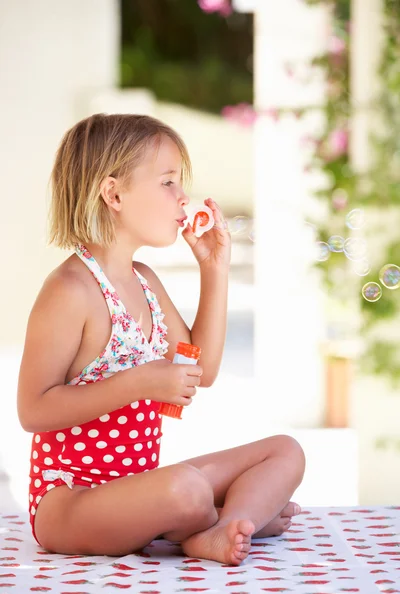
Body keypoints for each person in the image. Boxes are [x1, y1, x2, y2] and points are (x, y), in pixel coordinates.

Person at [17, 114, 306, 566]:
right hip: (70, 501)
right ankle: (217, 519)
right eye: (168, 182)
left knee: (286, 452)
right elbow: (32, 410)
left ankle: (229, 526)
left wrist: (214, 268)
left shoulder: (144, 280)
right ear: (113, 194)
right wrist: (140, 383)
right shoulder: (70, 290)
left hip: (143, 488)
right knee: (186, 489)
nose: (182, 197)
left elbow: (201, 370)